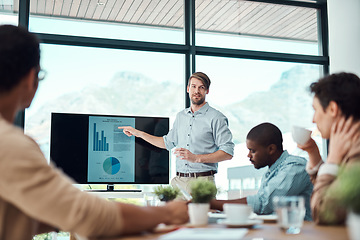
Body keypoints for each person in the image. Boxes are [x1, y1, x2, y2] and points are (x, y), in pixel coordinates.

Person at [0, 24, 188, 240]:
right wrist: (168, 212)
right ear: (30, 78)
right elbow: (91, 216)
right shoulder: (11, 145)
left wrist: (63, 215)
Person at [119, 72, 234, 193]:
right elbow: (166, 143)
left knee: (202, 213)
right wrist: (139, 133)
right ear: (188, 89)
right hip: (179, 182)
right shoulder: (181, 116)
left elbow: (228, 152)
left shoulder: (216, 118)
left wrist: (196, 158)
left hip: (203, 182)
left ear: (207, 91)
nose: (197, 91)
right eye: (194, 86)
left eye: (201, 87)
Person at [210, 122, 313, 221]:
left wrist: (210, 203)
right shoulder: (271, 172)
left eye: (253, 151)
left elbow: (263, 204)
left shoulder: (295, 167)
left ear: (271, 149)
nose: (248, 156)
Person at [298, 72, 360, 224]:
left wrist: (332, 160)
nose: (313, 119)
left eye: (316, 109)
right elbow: (331, 190)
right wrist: (313, 153)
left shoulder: (356, 151)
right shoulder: (350, 145)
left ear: (332, 109)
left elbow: (322, 212)